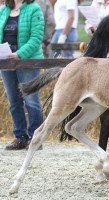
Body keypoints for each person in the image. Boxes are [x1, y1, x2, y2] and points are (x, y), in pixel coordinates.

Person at [0, 0, 44, 150]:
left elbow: (36, 38)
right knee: (14, 101)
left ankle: (35, 138)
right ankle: (20, 137)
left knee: (31, 101)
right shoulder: (4, 9)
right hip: (6, 61)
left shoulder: (34, 8)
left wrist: (19, 54)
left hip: (27, 61)